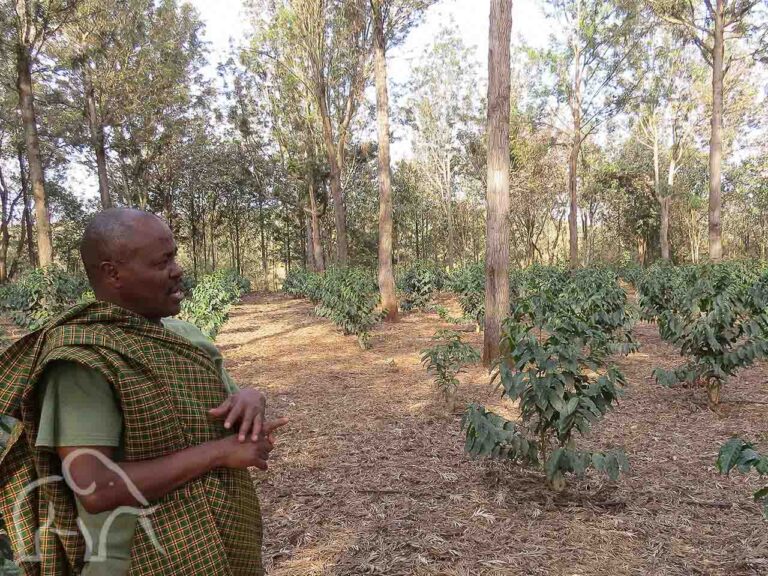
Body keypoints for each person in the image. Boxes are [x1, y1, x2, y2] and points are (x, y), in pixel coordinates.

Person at [0, 208, 287, 576]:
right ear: (112, 273)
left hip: (227, 543)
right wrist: (218, 453)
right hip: (138, 559)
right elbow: (96, 488)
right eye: (162, 261)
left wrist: (250, 397)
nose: (177, 269)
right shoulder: (85, 361)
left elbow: (228, 409)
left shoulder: (186, 337)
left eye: (174, 256)